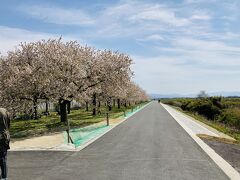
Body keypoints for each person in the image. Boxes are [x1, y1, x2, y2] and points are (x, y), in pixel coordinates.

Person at [0, 108, 10, 180]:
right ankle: (4, 177)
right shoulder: (4, 110)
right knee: (3, 158)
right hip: (4, 137)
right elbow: (8, 124)